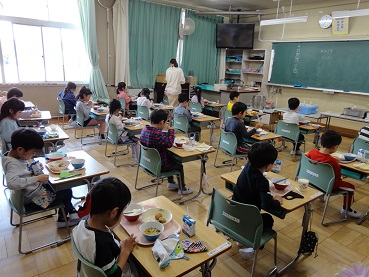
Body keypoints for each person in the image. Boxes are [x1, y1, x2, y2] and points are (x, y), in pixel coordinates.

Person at [2, 129, 80, 228]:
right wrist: (37, 178)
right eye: (33, 152)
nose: (33, 155)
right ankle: (62, 219)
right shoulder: (13, 164)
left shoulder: (12, 157)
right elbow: (11, 183)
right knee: (66, 190)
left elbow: (22, 173)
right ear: (20, 149)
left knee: (58, 185)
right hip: (35, 200)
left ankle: (72, 212)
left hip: (33, 194)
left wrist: (33, 170)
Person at [73, 177, 139, 277]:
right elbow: (114, 275)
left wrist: (119, 245)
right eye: (122, 211)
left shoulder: (82, 223)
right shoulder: (102, 244)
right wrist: (125, 251)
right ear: (113, 213)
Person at [232, 142, 283, 258]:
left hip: (234, 215)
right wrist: (278, 201)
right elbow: (268, 204)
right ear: (269, 166)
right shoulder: (262, 182)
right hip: (247, 220)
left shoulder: (246, 168)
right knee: (268, 219)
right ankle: (254, 248)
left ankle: (241, 240)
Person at [307, 130, 362, 218]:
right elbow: (337, 176)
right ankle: (346, 209)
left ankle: (320, 192)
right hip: (328, 185)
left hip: (312, 179)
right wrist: (336, 161)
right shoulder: (332, 162)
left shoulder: (312, 152)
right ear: (335, 147)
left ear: (321, 141)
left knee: (322, 176)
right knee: (351, 187)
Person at [140, 109, 193, 195]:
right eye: (166, 122)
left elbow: (159, 138)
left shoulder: (145, 129)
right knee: (179, 166)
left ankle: (171, 183)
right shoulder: (157, 134)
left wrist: (167, 134)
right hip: (158, 166)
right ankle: (182, 188)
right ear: (161, 122)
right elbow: (169, 144)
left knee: (169, 157)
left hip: (147, 163)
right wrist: (171, 131)